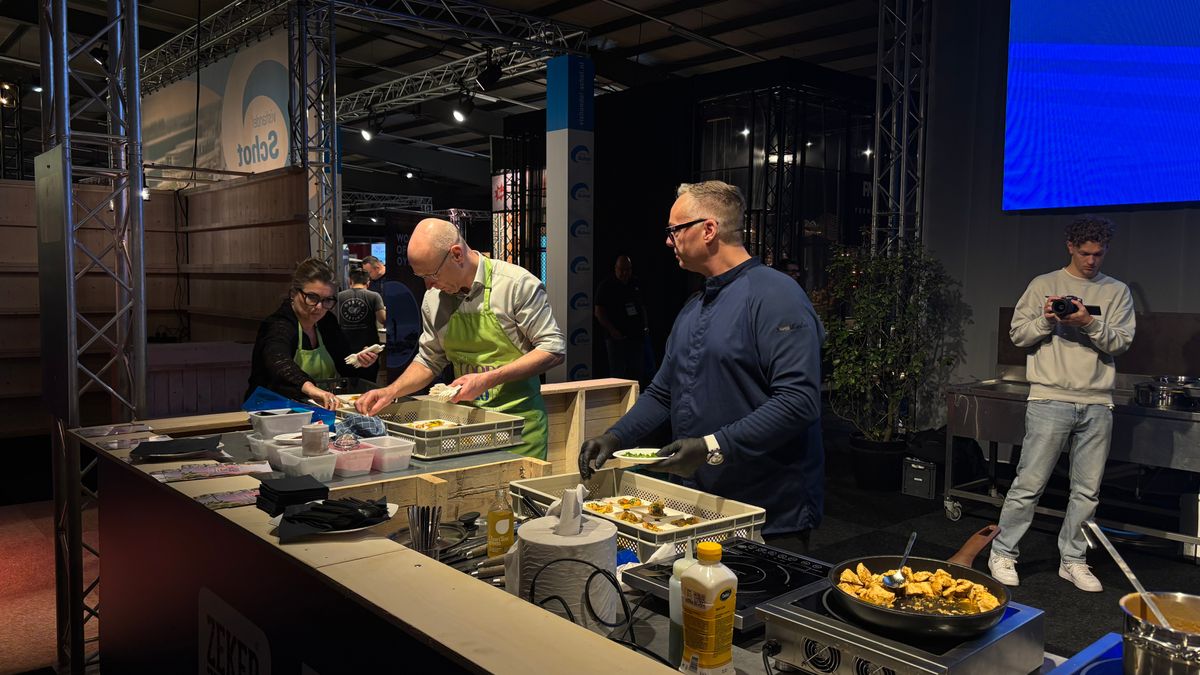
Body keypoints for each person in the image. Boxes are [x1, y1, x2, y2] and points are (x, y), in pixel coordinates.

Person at [577, 181, 825, 543]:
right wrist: (615, 437)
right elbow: (663, 393)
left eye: (674, 230)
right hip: (701, 504)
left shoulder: (776, 295)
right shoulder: (695, 306)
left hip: (766, 514)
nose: (667, 240)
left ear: (708, 230)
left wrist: (712, 446)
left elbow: (798, 401)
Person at [989, 216, 1135, 592]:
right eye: (1085, 253)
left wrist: (1088, 322)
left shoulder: (1116, 291)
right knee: (1029, 483)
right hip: (1050, 397)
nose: (1091, 261)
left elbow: (1120, 343)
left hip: (1097, 402)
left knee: (1087, 491)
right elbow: (1019, 335)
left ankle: (1073, 559)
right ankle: (1003, 551)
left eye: (1098, 254)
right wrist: (1046, 319)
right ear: (1070, 246)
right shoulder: (1044, 285)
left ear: (1107, 251)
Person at [356, 219, 565, 459]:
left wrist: (488, 379)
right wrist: (391, 391)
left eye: (432, 274)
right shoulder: (434, 298)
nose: (429, 285)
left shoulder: (515, 285)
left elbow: (553, 348)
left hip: (519, 430)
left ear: (456, 254)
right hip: (461, 429)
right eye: (422, 277)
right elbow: (429, 359)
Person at [246, 258, 378, 408]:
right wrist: (311, 389)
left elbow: (345, 365)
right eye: (312, 297)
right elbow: (279, 363)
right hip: (271, 411)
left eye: (327, 300)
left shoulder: (327, 322)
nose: (319, 307)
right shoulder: (278, 324)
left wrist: (361, 362)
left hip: (316, 409)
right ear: (294, 293)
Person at [594, 255, 648, 384]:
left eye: (628, 270)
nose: (625, 273)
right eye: (622, 270)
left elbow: (642, 306)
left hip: (636, 336)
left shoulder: (635, 283)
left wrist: (645, 326)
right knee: (618, 373)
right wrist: (612, 330)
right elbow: (598, 312)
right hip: (616, 338)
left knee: (636, 372)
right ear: (615, 269)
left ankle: (636, 400)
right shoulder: (606, 285)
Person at [337, 267, 386, 383]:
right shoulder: (374, 296)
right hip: (368, 350)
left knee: (345, 383)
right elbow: (383, 319)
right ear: (368, 283)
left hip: (344, 347)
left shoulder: (338, 296)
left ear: (350, 281)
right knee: (368, 384)